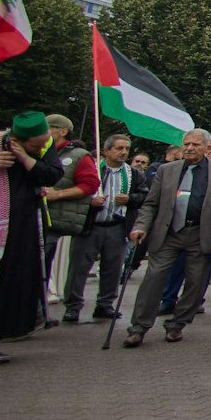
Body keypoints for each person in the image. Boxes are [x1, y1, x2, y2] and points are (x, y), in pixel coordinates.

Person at [122, 129, 211, 348]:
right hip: (169, 233)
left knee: (195, 282)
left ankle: (177, 324)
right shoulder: (167, 170)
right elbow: (151, 203)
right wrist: (140, 227)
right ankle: (138, 327)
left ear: (205, 147)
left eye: (195, 144)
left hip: (201, 234)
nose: (190, 148)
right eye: (186, 144)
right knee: (153, 278)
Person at [0, 113, 66, 363]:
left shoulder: (44, 145)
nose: (44, 146)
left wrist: (26, 158)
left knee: (13, 282)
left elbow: (51, 176)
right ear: (20, 138)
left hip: (24, 229)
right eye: (36, 144)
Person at [63, 132, 142, 324]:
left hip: (117, 225)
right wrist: (90, 201)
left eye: (127, 149)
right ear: (106, 150)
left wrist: (130, 199)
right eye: (119, 148)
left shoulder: (133, 174)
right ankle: (73, 306)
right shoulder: (93, 170)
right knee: (79, 267)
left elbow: (144, 196)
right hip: (91, 225)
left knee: (113, 268)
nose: (124, 152)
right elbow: (76, 190)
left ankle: (105, 304)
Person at [38, 114, 99, 315]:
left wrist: (58, 194)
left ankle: (36, 311)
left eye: (48, 128)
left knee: (40, 265)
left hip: (55, 220)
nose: (43, 133)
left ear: (62, 131)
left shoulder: (79, 155)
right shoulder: (39, 151)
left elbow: (90, 185)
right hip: (35, 217)